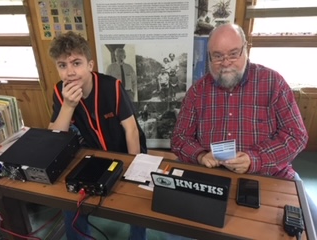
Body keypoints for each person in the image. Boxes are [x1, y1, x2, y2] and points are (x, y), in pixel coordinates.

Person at [171, 23, 316, 230]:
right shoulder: (197, 92)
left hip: (270, 175)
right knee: (176, 231)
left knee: (311, 227)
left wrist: (254, 159)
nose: (226, 62)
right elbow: (179, 139)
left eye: (233, 53)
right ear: (210, 57)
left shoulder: (273, 82)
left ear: (245, 50)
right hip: (214, 178)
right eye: (218, 56)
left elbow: (296, 135)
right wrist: (201, 155)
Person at [48, 31, 147, 240]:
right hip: (93, 155)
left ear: (90, 65)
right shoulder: (60, 91)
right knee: (71, 198)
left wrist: (133, 167)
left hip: (127, 151)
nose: (70, 72)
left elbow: (131, 130)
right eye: (62, 65)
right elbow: (54, 138)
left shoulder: (112, 87)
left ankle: (137, 236)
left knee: (136, 201)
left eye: (76, 63)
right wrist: (68, 106)